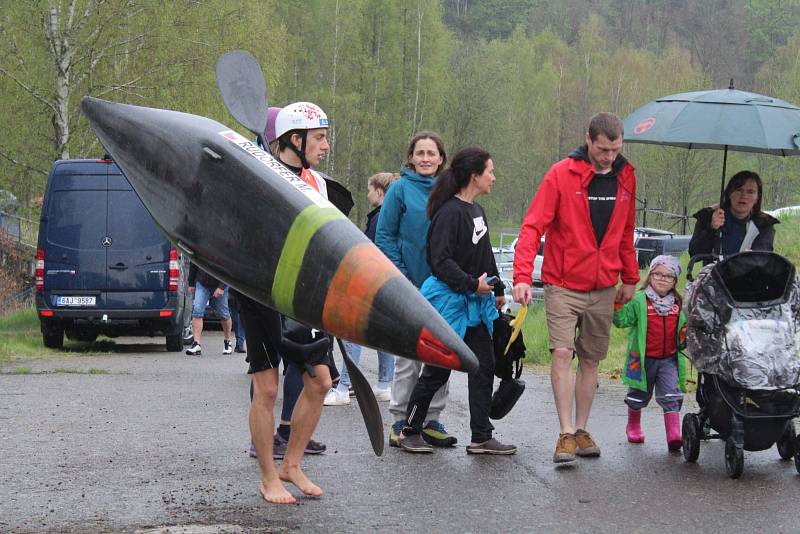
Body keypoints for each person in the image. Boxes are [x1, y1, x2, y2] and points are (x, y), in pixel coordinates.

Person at [512, 112, 639, 464]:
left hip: (603, 285)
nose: (608, 157)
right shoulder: (561, 174)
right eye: (602, 149)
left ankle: (582, 429)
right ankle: (565, 432)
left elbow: (626, 233)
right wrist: (522, 275)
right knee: (562, 353)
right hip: (563, 282)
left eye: (615, 150)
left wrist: (629, 278)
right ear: (588, 139)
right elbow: (532, 226)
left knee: (592, 360)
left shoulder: (627, 176)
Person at [239, 101, 335, 504]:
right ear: (295, 140)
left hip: (303, 296)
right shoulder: (257, 176)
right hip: (260, 294)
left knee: (321, 381)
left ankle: (291, 464)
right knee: (268, 388)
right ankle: (267, 477)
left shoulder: (319, 183)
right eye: (320, 137)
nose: (326, 145)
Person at [397, 147, 517, 455]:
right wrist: (469, 284)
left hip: (476, 304)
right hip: (450, 303)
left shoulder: (476, 210)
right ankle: (408, 431)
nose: (494, 177)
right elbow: (440, 261)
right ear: (474, 176)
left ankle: (481, 435)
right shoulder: (449, 213)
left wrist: (498, 287)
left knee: (483, 365)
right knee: (438, 370)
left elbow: (485, 254)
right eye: (490, 171)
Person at [375, 131, 457, 448]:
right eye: (420, 153)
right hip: (408, 286)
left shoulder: (450, 191)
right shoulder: (398, 190)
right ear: (411, 157)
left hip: (444, 289)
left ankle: (432, 419)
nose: (425, 158)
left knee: (441, 356)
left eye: (431, 153)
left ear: (440, 159)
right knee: (408, 360)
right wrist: (404, 278)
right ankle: (400, 420)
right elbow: (385, 237)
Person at [325, 172, 400, 405]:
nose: (368, 194)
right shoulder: (393, 216)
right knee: (383, 336)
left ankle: (345, 387)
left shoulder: (380, 219)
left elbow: (371, 252)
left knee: (352, 333)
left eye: (370, 190)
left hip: (372, 283)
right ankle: (385, 384)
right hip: (388, 285)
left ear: (380, 191)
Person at [613, 255, 687, 451]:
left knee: (672, 394)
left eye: (668, 276)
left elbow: (685, 329)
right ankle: (633, 426)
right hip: (642, 360)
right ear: (650, 276)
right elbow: (623, 321)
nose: (662, 279)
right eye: (658, 274)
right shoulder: (639, 300)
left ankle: (674, 434)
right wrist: (618, 306)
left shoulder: (679, 305)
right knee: (638, 395)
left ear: (675, 281)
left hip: (669, 360)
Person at [688, 170, 779, 258]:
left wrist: (746, 258)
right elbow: (694, 253)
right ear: (729, 193)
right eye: (739, 190)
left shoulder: (764, 224)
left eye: (750, 191)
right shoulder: (708, 216)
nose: (744, 196)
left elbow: (762, 258)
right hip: (713, 272)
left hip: (749, 272)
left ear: (757, 198)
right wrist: (711, 228)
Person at [186, 263, 233, 356]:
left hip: (220, 283)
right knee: (197, 311)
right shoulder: (200, 248)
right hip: (202, 283)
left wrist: (222, 287)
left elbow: (229, 267)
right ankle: (196, 344)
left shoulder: (223, 249)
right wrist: (191, 283)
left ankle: (228, 341)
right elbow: (194, 262)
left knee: (224, 314)